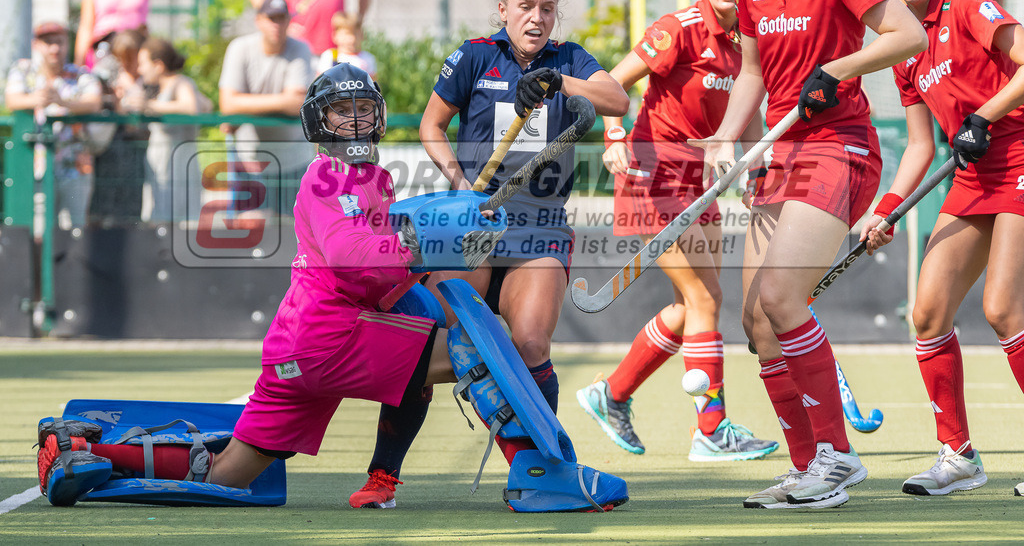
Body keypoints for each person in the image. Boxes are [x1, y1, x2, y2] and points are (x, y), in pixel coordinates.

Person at [35, 64, 627, 513]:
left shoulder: (372, 177)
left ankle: (86, 452)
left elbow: (393, 234)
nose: (356, 120)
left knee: (227, 476)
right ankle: (539, 477)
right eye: (341, 112)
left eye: (364, 109)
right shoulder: (326, 177)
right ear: (319, 123)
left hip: (300, 349)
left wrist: (454, 220)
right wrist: (425, 246)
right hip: (330, 337)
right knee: (476, 350)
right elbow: (352, 258)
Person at [350, 0, 629, 508]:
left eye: (547, 9)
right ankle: (383, 476)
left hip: (539, 228)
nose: (537, 17)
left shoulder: (571, 58)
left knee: (529, 345)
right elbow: (431, 124)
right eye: (526, 6)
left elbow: (616, 97)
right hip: (472, 225)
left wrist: (559, 82)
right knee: (430, 345)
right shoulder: (476, 57)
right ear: (503, 9)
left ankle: (542, 470)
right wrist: (460, 185)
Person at [693, 0, 927, 509]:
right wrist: (725, 136)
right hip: (781, 151)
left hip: (839, 146)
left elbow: (911, 35)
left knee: (781, 294)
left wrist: (838, 68)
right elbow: (750, 72)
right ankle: (808, 468)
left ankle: (839, 458)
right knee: (756, 321)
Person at [576, 0, 778, 462]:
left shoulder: (748, 39)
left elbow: (749, 107)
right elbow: (611, 85)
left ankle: (611, 394)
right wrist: (614, 136)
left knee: (693, 303)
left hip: (700, 180)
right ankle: (711, 431)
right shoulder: (678, 29)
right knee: (705, 300)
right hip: (652, 175)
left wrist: (756, 165)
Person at [863, 0, 1024, 498]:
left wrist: (983, 116)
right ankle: (957, 455)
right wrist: (887, 206)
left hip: (1019, 154)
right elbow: (922, 144)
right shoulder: (902, 46)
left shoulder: (968, 5)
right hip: (972, 174)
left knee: (1004, 309)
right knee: (928, 314)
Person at [219, 0, 315, 212]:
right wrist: (283, 102)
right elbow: (227, 105)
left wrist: (245, 108)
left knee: (294, 235)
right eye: (271, 18)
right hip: (250, 160)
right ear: (258, 20)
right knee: (249, 232)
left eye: (282, 18)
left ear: (289, 20)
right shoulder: (239, 48)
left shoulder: (301, 49)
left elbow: (297, 103)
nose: (277, 24)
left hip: (294, 161)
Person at [5, 22, 103, 229]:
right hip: (37, 164)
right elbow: (12, 100)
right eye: (48, 42)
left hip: (76, 164)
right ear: (36, 45)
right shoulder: (23, 70)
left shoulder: (81, 75)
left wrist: (62, 102)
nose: (54, 48)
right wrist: (38, 99)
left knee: (76, 229)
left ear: (67, 44)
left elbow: (94, 102)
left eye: (59, 42)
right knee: (40, 228)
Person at [126, 38, 212, 223]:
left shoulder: (180, 82)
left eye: (143, 64)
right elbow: (206, 104)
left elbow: (191, 107)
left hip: (177, 167)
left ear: (158, 65)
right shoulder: (164, 87)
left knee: (176, 223)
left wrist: (149, 105)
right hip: (163, 165)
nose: (140, 70)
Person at [87, 28, 148, 226]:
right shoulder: (106, 73)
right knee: (103, 199)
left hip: (137, 147)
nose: (128, 64)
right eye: (123, 58)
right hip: (110, 146)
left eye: (132, 58)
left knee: (131, 203)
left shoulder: (149, 75)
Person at [316, 12, 377, 79]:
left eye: (356, 34)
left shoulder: (367, 58)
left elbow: (373, 85)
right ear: (335, 36)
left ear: (362, 35)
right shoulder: (330, 56)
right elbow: (320, 84)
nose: (352, 39)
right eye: (346, 34)